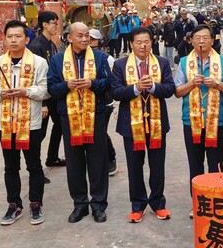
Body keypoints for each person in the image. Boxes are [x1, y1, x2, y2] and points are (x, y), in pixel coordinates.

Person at [0, 20, 48, 226]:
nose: (13, 40)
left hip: (31, 124)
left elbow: (45, 90)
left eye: (18, 36)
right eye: (10, 36)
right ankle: (14, 204)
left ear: (27, 39)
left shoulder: (39, 62)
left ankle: (36, 203)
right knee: (10, 166)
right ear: (4, 38)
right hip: (6, 124)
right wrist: (1, 93)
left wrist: (25, 92)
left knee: (34, 165)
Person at [47, 22, 111, 224]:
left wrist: (93, 84)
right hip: (69, 116)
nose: (85, 40)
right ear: (70, 38)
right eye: (81, 36)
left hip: (95, 115)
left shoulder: (100, 58)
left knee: (98, 161)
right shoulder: (58, 61)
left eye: (87, 36)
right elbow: (52, 88)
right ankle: (80, 204)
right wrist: (67, 85)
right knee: (74, 163)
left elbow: (108, 84)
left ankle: (99, 205)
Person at [111, 27, 176, 223]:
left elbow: (170, 89)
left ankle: (158, 203)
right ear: (131, 44)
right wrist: (136, 88)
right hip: (131, 125)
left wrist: (154, 87)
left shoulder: (162, 63)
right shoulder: (120, 65)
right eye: (138, 42)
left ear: (151, 42)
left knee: (157, 166)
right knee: (134, 166)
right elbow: (115, 92)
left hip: (156, 124)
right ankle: (138, 205)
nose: (143, 46)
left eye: (146, 41)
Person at [174, 24, 223, 218]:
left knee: (215, 163)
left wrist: (217, 84)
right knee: (195, 164)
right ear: (191, 40)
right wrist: (191, 84)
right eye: (197, 38)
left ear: (212, 40)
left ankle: (216, 201)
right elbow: (177, 92)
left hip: (216, 121)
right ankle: (198, 202)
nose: (201, 41)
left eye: (205, 38)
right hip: (191, 121)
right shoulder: (183, 63)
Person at [27, 11, 65, 185]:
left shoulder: (51, 43)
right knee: (39, 134)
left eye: (57, 23)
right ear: (44, 25)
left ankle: (52, 157)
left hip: (53, 94)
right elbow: (36, 76)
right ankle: (35, 170)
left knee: (60, 124)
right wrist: (42, 103)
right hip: (42, 97)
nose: (55, 26)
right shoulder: (36, 46)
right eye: (53, 23)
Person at [89, 29, 118, 176]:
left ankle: (110, 158)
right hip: (84, 102)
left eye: (92, 39)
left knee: (100, 132)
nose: (88, 41)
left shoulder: (107, 58)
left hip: (103, 101)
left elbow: (111, 81)